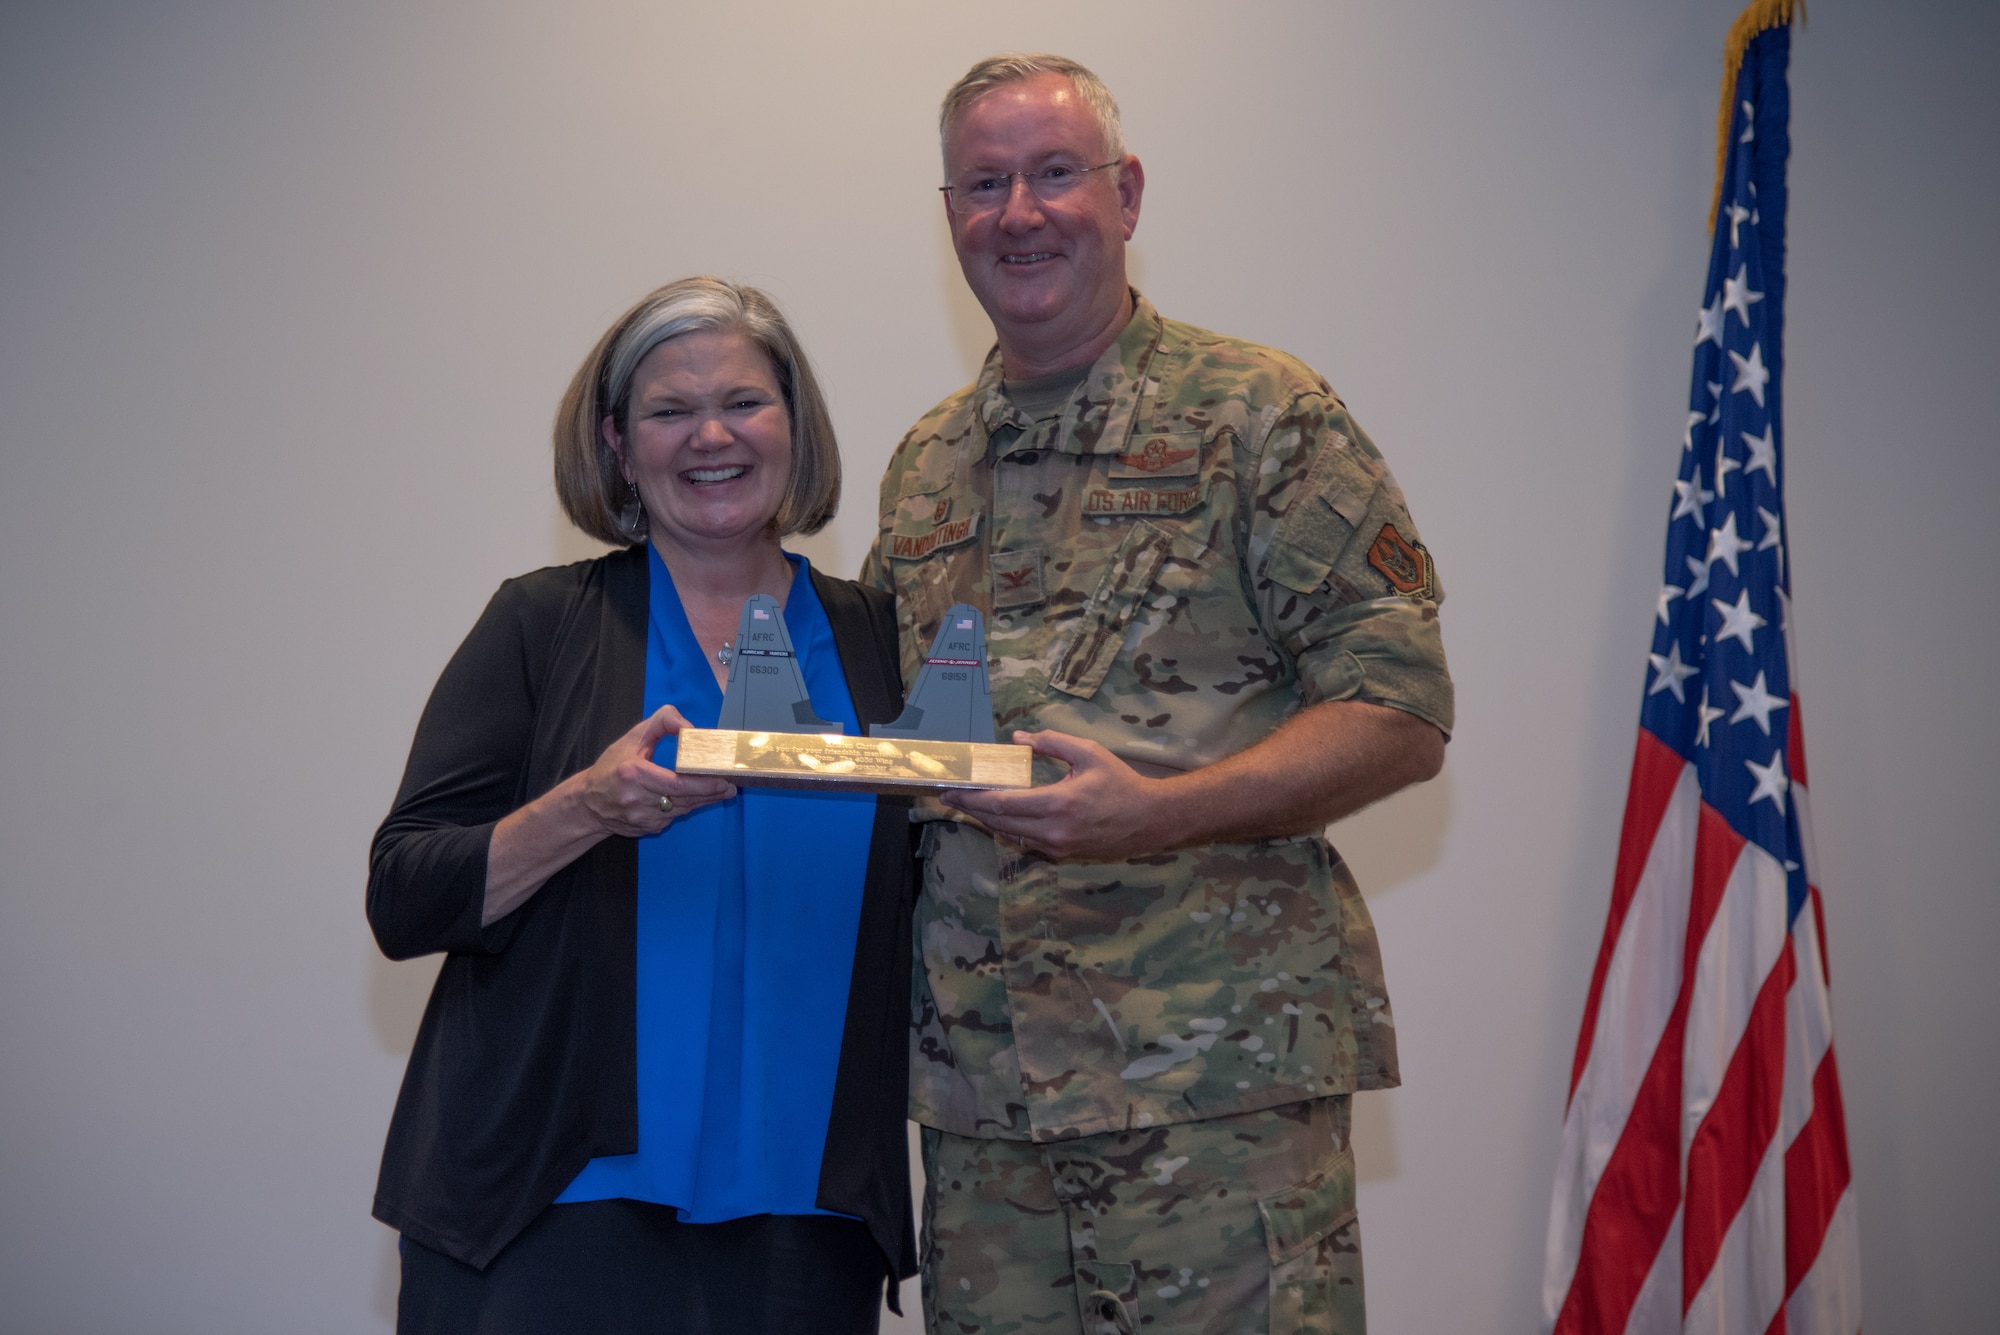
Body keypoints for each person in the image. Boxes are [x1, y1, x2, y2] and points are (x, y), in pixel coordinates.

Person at [858, 55, 1454, 1335]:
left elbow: (1400, 712)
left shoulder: (1258, 414)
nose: (1018, 211)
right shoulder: (922, 467)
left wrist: (1162, 811)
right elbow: (890, 750)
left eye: (1054, 172)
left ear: (1124, 195)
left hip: (1212, 1087)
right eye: (983, 183)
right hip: (982, 1110)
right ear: (950, 213)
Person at [368, 277, 916, 1333]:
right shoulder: (541, 625)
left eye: (746, 403)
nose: (711, 435)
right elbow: (404, 895)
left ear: (796, 429)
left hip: (807, 1227)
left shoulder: (878, 641)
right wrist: (586, 805)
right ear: (618, 445)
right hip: (549, 1208)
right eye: (669, 411)